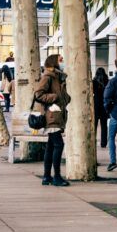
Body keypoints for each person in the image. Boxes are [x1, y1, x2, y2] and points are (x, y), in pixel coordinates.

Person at [33, 54, 70, 186]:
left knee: (50, 147)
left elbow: (64, 98)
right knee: (58, 145)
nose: (62, 62)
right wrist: (54, 97)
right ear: (54, 63)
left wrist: (65, 97)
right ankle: (57, 177)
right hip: (52, 116)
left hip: (57, 114)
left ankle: (47, 176)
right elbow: (38, 94)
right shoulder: (48, 77)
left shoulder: (58, 78)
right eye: (60, 60)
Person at [93, 67, 109, 148]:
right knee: (104, 126)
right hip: (104, 106)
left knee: (94, 125)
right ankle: (103, 143)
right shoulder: (107, 81)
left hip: (95, 105)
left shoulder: (94, 82)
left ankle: (93, 142)